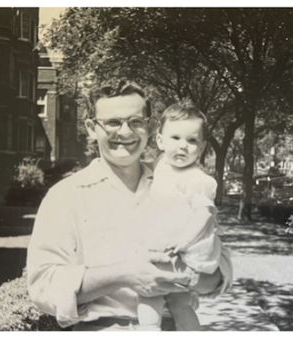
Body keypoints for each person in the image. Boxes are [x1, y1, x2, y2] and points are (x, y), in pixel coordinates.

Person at [27, 80, 233, 331]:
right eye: (113, 122)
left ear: (149, 128)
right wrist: (125, 275)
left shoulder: (179, 185)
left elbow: (219, 272)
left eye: (136, 122)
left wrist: (186, 276)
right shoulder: (66, 196)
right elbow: (42, 287)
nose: (125, 133)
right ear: (92, 128)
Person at [135, 101, 222, 331]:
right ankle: (150, 328)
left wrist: (184, 241)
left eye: (192, 141)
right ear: (160, 141)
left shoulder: (197, 180)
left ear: (202, 148)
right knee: (158, 296)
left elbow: (204, 215)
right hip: (162, 242)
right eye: (175, 138)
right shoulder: (162, 166)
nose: (183, 146)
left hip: (183, 248)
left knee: (169, 298)